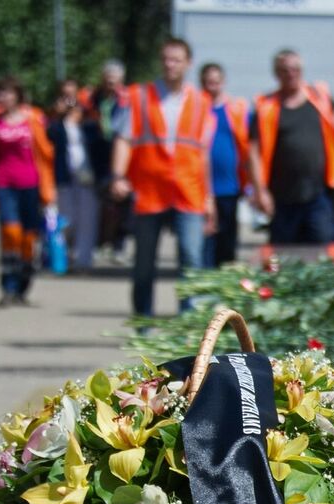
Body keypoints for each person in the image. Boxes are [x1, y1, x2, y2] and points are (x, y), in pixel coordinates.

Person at [110, 38, 218, 319]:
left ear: (188, 63)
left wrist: (209, 199)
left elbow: (203, 153)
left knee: (191, 260)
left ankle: (187, 324)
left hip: (189, 191)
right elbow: (124, 138)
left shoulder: (201, 101)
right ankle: (143, 320)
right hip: (150, 191)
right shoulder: (139, 96)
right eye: (166, 59)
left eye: (177, 60)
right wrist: (119, 176)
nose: (171, 65)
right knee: (144, 262)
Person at [251, 50, 334, 245]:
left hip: (319, 195)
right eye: (284, 70)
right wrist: (260, 191)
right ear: (276, 73)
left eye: (295, 69)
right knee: (283, 256)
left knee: (325, 249)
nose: (290, 73)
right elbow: (254, 152)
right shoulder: (266, 107)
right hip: (282, 198)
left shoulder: (320, 98)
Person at [0, 76, 56, 307]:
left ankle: (23, 286)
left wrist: (49, 189)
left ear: (17, 95)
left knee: (29, 238)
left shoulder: (34, 119)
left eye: (7, 93)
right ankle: (8, 286)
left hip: (31, 185)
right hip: (3, 184)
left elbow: (47, 151)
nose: (3, 97)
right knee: (10, 233)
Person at [48, 79, 108, 273]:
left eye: (73, 97)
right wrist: (58, 116)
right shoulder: (57, 126)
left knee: (88, 218)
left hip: (87, 178)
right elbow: (49, 138)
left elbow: (102, 144)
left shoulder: (89, 124)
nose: (70, 102)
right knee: (67, 218)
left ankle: (84, 259)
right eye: (65, 97)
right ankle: (64, 256)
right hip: (65, 177)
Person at [199, 63, 253, 269]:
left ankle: (224, 286)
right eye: (207, 82)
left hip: (228, 186)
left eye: (216, 82)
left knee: (227, 242)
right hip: (200, 189)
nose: (212, 87)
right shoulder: (195, 109)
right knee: (205, 244)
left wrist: (250, 183)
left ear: (223, 83)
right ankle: (205, 284)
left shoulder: (236, 109)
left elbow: (248, 146)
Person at [93, 60, 132, 265]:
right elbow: (75, 104)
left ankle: (119, 245)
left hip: (121, 155)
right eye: (107, 80)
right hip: (99, 155)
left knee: (122, 204)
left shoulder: (127, 99)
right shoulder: (92, 97)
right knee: (102, 204)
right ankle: (100, 243)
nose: (111, 84)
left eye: (114, 80)